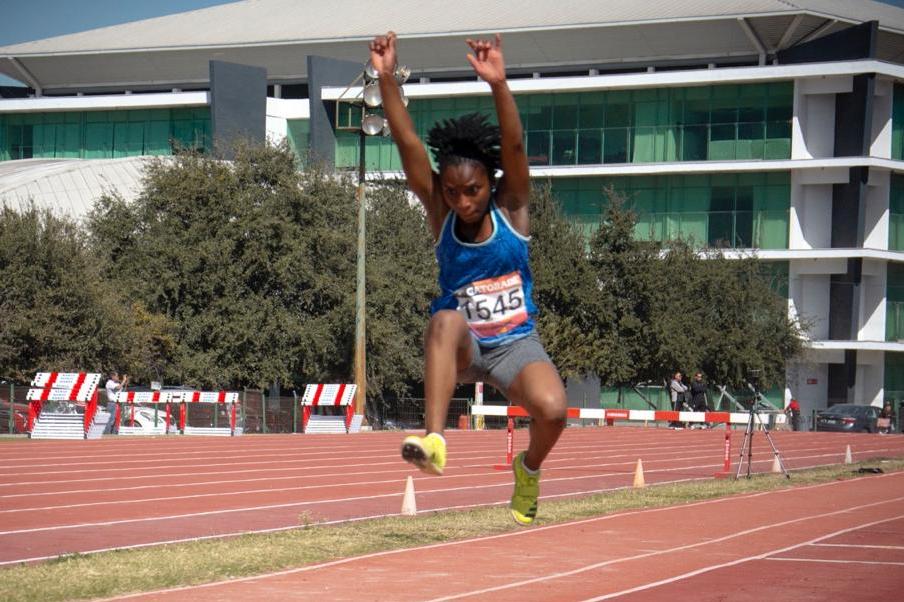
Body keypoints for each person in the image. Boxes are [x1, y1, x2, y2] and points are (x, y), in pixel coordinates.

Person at [369, 31, 567, 526]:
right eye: (453, 191)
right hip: (465, 346)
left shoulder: (512, 208)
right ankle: (434, 439)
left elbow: (515, 144)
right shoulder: (441, 212)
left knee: (554, 410)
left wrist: (498, 83)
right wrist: (386, 76)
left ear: (490, 183)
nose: (462, 201)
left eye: (472, 190)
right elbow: (408, 141)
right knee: (443, 320)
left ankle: (529, 469)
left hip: (516, 345)